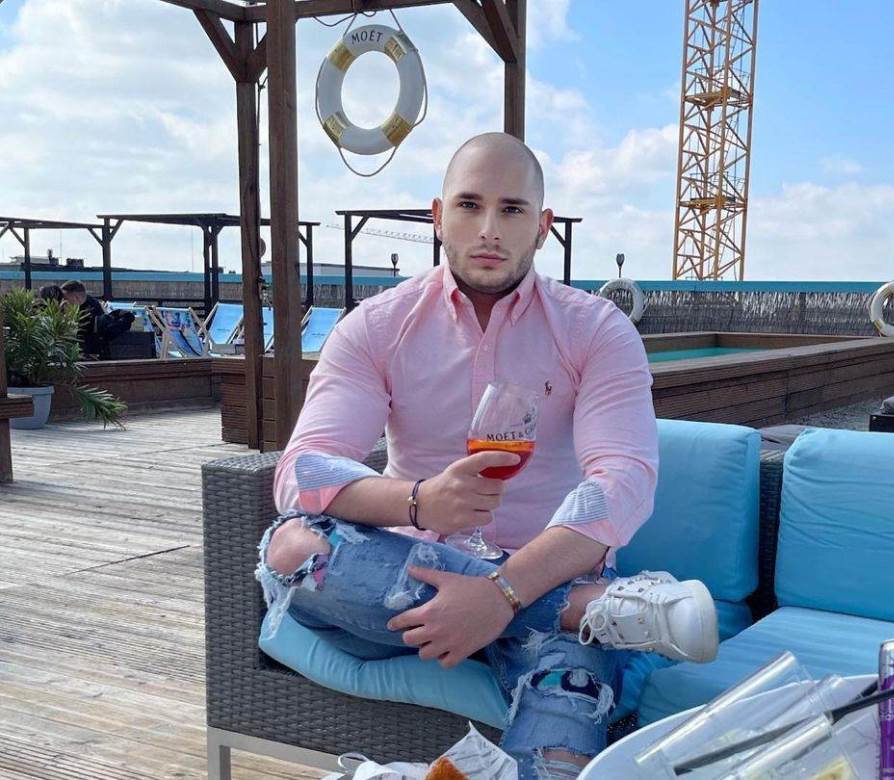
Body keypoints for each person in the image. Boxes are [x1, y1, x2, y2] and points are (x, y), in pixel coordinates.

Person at [256, 133, 718, 778]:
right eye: (470, 205)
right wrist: (418, 502)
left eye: (512, 209)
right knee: (292, 549)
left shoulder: (595, 330)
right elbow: (303, 469)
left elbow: (623, 482)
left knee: (557, 760)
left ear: (543, 226)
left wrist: (503, 592)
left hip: (542, 572)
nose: (489, 230)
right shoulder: (377, 326)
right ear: (438, 215)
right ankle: (587, 608)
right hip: (398, 590)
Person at [59, 280, 105, 358]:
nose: (63, 300)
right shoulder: (70, 305)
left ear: (76, 297)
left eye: (65, 297)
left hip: (87, 350)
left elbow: (86, 332)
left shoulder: (92, 308)